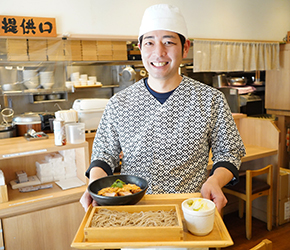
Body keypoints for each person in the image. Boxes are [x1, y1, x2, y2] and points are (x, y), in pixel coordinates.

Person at [80, 4, 246, 215]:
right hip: (133, 211)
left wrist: (215, 181)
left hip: (191, 210)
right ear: (140, 48)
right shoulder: (119, 103)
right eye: (149, 42)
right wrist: (95, 185)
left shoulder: (210, 99)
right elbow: (104, 154)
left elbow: (230, 152)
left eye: (168, 42)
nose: (158, 52)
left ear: (185, 48)